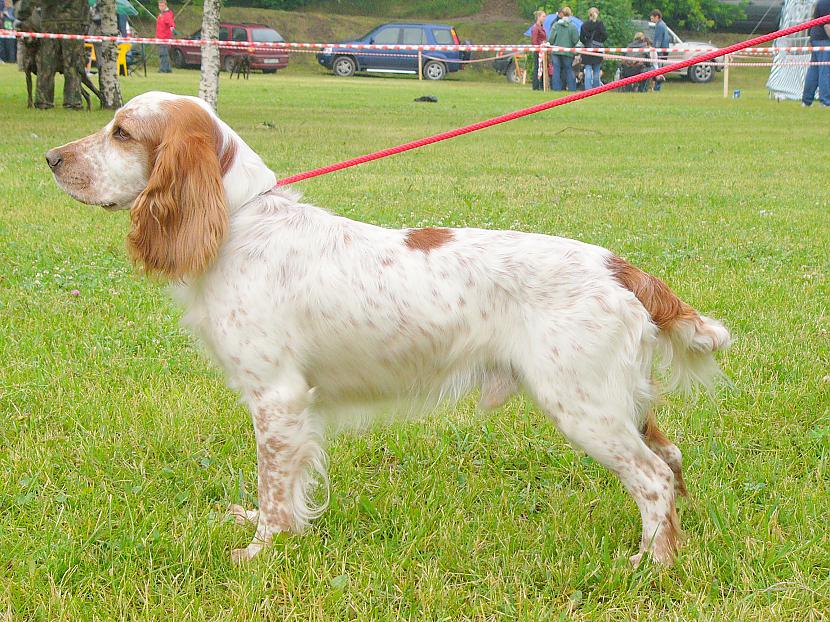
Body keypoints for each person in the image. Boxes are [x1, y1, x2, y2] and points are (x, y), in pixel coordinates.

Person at [16, 0, 88, 109]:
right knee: (72, 64)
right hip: (74, 20)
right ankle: (73, 102)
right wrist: (86, 21)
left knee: (46, 64)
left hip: (50, 21)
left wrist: (23, 13)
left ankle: (43, 101)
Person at [801, 0, 830, 107]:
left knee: (814, 70)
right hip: (824, 39)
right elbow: (827, 26)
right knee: (825, 71)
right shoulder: (827, 3)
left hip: (816, 38)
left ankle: (806, 100)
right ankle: (826, 101)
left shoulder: (821, 2)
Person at [550, 6, 579, 91]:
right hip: (567, 52)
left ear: (562, 14)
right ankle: (572, 88)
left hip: (556, 51)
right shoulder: (572, 26)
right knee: (569, 69)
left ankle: (556, 89)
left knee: (556, 70)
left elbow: (551, 39)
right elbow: (575, 40)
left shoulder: (556, 25)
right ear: (570, 14)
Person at [580, 7, 607, 90]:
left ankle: (588, 90)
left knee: (588, 70)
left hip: (587, 49)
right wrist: (599, 42)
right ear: (597, 14)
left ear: (589, 14)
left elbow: (581, 38)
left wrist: (587, 43)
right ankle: (596, 89)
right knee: (596, 70)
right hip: (597, 50)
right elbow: (605, 35)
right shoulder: (600, 24)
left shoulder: (584, 25)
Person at [650, 9, 670, 92]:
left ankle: (656, 88)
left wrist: (655, 50)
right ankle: (656, 88)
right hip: (664, 50)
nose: (651, 20)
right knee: (660, 70)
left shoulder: (659, 26)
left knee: (658, 70)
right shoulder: (663, 24)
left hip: (660, 51)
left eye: (652, 18)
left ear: (657, 17)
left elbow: (658, 40)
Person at [155, 0, 175, 73]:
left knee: (163, 54)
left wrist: (172, 28)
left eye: (162, 5)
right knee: (165, 54)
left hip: (164, 38)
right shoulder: (161, 14)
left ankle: (163, 69)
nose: (160, 7)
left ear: (165, 5)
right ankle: (168, 69)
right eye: (159, 6)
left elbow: (171, 24)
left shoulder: (167, 14)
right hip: (160, 37)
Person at [530, 10, 547, 91]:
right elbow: (534, 41)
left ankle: (541, 85)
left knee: (542, 68)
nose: (544, 18)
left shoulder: (541, 27)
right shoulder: (535, 28)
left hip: (542, 50)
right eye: (543, 16)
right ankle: (536, 86)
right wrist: (539, 47)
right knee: (537, 67)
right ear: (538, 17)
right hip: (538, 51)